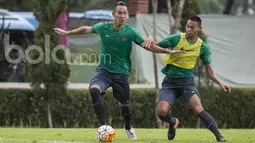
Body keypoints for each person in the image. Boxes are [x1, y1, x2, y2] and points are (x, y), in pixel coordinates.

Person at [54, 1, 184, 140]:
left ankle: (128, 127)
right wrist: (68, 32)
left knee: (125, 106)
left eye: (125, 13)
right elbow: (86, 28)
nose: (122, 15)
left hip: (121, 74)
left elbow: (148, 46)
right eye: (120, 13)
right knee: (94, 90)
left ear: (127, 16)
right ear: (113, 14)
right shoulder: (104, 27)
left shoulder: (130, 32)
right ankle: (104, 127)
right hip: (103, 72)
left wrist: (167, 51)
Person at [150, 16, 231, 142]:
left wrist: (220, 83)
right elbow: (154, 46)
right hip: (170, 82)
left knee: (198, 108)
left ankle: (219, 137)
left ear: (199, 28)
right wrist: (158, 44)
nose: (188, 29)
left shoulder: (202, 47)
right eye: (187, 26)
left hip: (187, 83)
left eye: (192, 27)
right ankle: (172, 122)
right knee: (161, 112)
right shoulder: (176, 38)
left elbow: (209, 70)